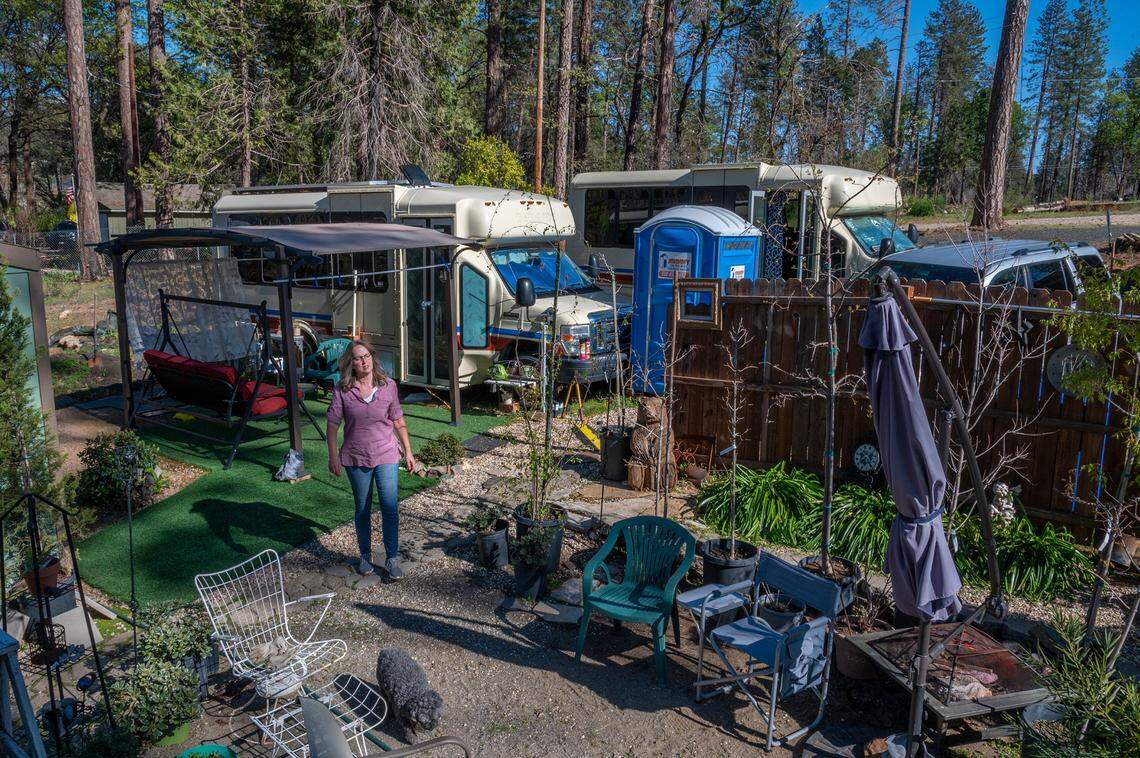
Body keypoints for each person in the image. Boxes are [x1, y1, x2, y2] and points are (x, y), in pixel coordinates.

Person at [326, 340, 417, 579]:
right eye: (357, 358)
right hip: (356, 457)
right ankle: (365, 556)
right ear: (351, 363)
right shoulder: (343, 389)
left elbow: (398, 420)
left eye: (366, 356)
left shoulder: (388, 386)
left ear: (372, 358)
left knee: (389, 507)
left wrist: (408, 451)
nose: (363, 361)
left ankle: (392, 558)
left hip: (386, 453)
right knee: (362, 509)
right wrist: (333, 455)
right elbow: (333, 424)